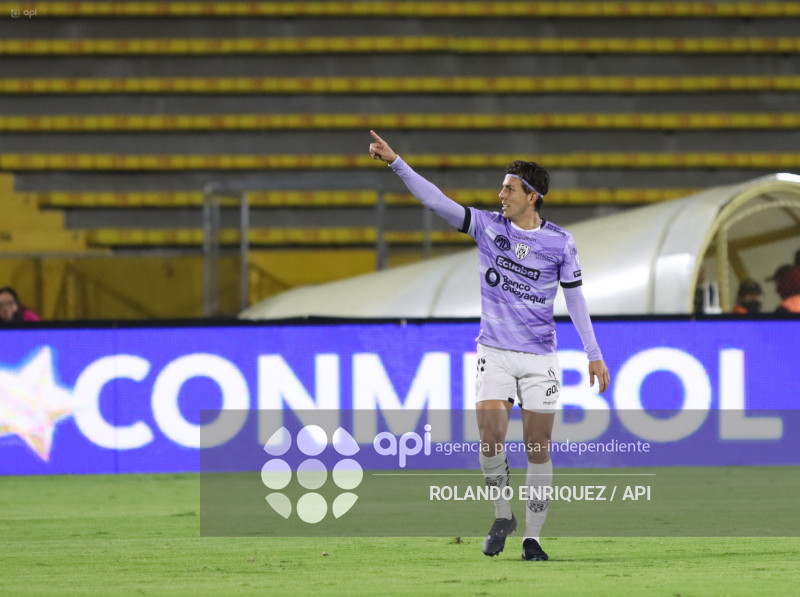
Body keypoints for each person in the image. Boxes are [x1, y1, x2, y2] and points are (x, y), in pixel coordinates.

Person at [368, 131, 609, 561]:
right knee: (490, 435)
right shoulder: (487, 227)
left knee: (538, 446)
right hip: (494, 351)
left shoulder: (560, 242)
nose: (501, 194)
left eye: (509, 188)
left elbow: (574, 299)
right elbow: (437, 201)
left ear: (532, 197)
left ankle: (532, 538)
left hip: (539, 357)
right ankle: (503, 514)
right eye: (502, 187)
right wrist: (396, 163)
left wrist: (593, 353)